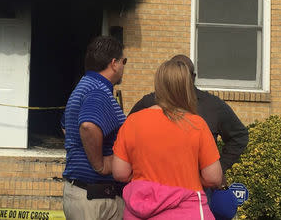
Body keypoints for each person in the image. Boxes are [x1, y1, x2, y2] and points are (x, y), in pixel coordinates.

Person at [113, 59, 223, 219]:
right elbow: (214, 178)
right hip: (187, 212)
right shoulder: (197, 124)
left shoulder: (133, 121)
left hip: (138, 212)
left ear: (158, 86)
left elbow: (120, 173)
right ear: (187, 87)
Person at [129, 55, 248, 183]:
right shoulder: (148, 102)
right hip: (155, 184)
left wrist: (220, 166)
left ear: (193, 77)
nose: (179, 78)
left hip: (197, 185)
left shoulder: (212, 106)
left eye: (183, 73)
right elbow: (126, 137)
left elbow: (239, 136)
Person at [62, 36, 127, 220]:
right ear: (113, 63)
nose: (124, 67)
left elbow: (65, 127)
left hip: (84, 195)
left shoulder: (84, 87)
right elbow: (88, 126)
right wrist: (100, 165)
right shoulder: (98, 91)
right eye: (124, 61)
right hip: (95, 200)